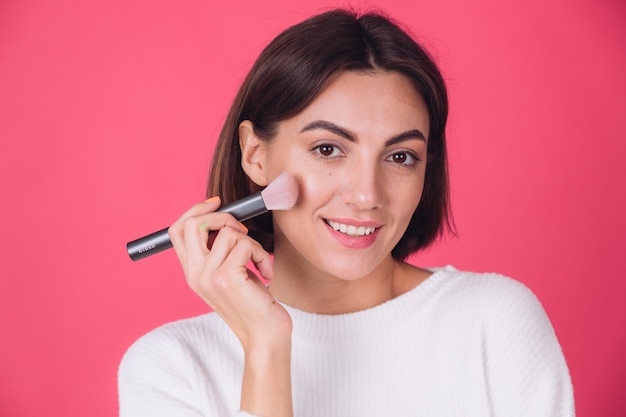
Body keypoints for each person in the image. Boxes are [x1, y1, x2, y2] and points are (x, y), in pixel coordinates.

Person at [118, 9, 575, 417]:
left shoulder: (492, 323)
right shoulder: (170, 367)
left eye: (400, 157)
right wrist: (266, 346)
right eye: (328, 149)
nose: (366, 195)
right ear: (256, 154)